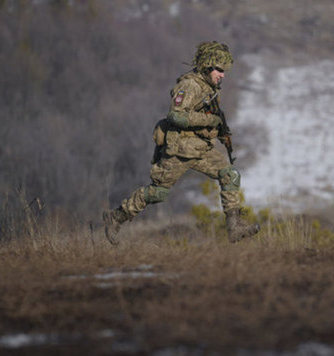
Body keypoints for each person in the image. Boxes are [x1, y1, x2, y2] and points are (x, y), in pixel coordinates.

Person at [102, 41, 260, 244]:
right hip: (180, 151)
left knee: (230, 174)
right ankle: (116, 217)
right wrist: (209, 120)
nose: (223, 75)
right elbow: (176, 116)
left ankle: (234, 226)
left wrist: (219, 130)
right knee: (158, 192)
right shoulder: (189, 85)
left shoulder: (210, 87)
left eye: (224, 71)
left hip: (200, 149)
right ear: (208, 66)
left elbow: (210, 116)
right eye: (219, 70)